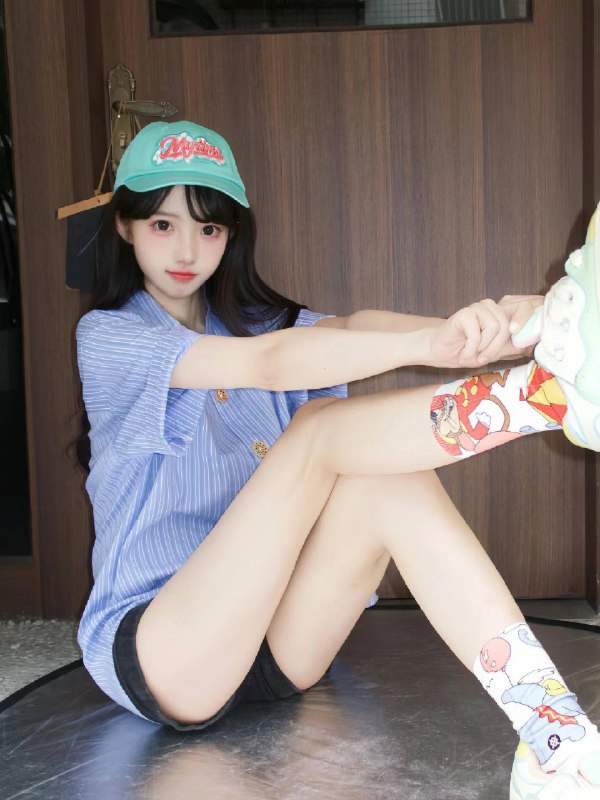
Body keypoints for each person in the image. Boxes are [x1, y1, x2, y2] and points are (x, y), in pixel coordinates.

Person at [75, 119, 600, 799]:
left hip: (277, 645)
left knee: (387, 479)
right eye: (162, 224)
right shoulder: (109, 337)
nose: (186, 250)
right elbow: (270, 365)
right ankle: (543, 398)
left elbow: (352, 329)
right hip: (166, 652)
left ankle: (557, 738)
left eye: (208, 229)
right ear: (125, 225)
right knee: (319, 428)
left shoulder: (253, 321)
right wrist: (449, 350)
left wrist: (516, 331)